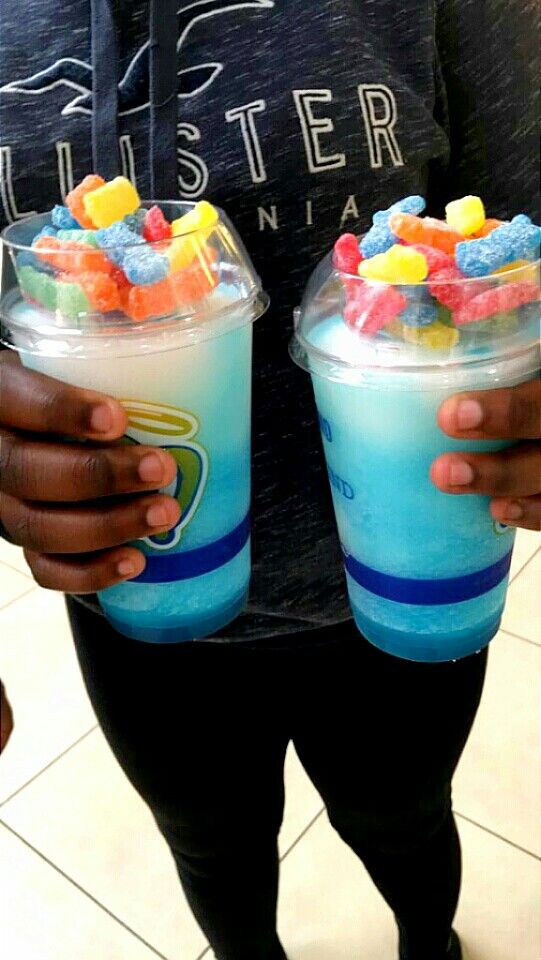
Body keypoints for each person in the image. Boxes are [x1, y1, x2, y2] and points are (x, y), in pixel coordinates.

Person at [0, 1, 539, 957]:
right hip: (136, 585)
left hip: (406, 576)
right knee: (214, 851)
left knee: (405, 824)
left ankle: (431, 944)